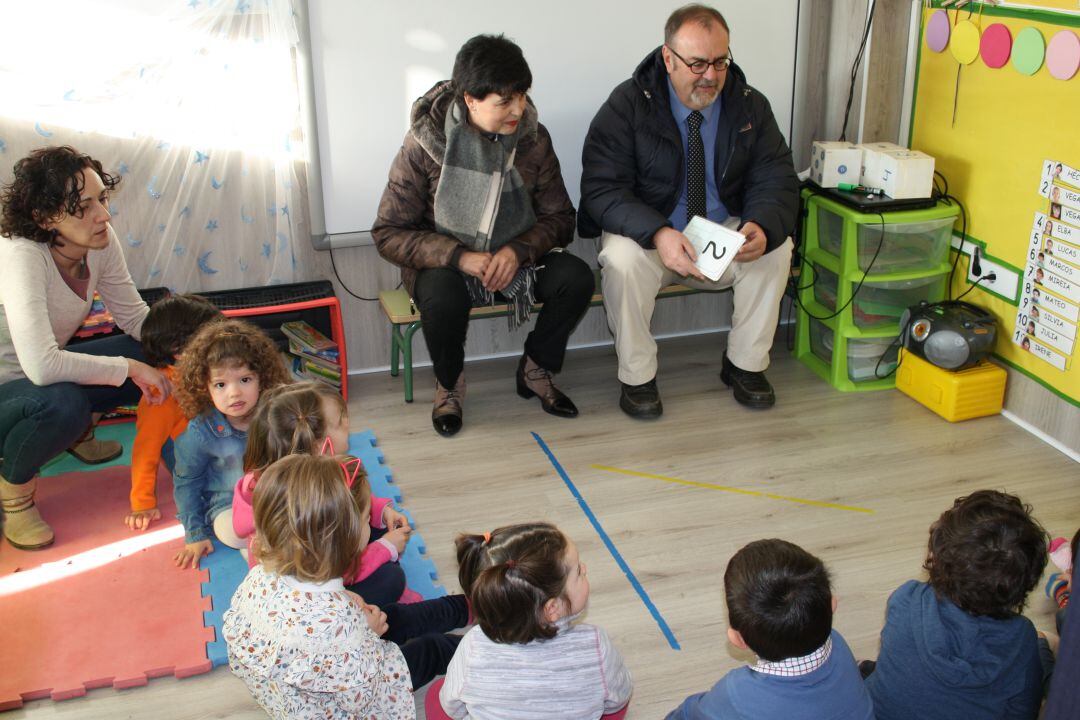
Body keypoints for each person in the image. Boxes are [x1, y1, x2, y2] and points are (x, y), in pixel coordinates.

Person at [580, 4, 797, 417]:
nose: (711, 76)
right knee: (621, 260)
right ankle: (637, 376)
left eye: (720, 61)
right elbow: (601, 188)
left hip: (721, 228)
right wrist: (659, 233)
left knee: (777, 248)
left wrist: (762, 224)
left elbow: (777, 178)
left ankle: (744, 365)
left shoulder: (750, 105)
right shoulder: (627, 105)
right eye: (697, 63)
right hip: (655, 232)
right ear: (668, 58)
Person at [373, 34, 595, 437]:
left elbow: (561, 217)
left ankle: (534, 369)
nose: (518, 109)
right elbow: (388, 233)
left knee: (577, 277)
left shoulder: (533, 139)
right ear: (470, 100)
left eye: (522, 96)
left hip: (516, 262)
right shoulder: (424, 143)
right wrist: (459, 256)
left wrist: (517, 250)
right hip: (447, 267)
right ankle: (450, 384)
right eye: (504, 101)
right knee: (441, 295)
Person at [0, 145, 169, 549]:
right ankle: (15, 494)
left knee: (154, 353)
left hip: (42, 377)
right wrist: (129, 369)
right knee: (63, 403)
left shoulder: (101, 241)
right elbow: (41, 368)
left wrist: (197, 343)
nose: (103, 216)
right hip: (14, 388)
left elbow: (134, 319)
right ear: (43, 217)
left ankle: (75, 435)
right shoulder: (21, 254)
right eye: (83, 207)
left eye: (102, 200)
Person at [223, 453, 469, 719]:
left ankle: (465, 607)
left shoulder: (260, 574)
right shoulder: (342, 622)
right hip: (348, 698)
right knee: (430, 648)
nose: (368, 524)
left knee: (393, 615)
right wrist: (366, 634)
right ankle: (479, 652)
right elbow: (357, 696)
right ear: (344, 540)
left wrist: (350, 607)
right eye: (365, 520)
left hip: (308, 680)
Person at [863, 490, 1048, 719]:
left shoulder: (907, 598)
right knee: (1043, 647)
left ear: (936, 555)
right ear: (1026, 582)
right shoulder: (1021, 638)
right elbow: (1023, 711)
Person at [234, 381, 421, 606]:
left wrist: (381, 511)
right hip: (312, 598)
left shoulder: (297, 482)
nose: (348, 423)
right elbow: (330, 572)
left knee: (374, 527)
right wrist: (385, 549)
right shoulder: (301, 512)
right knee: (391, 579)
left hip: (322, 557)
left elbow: (354, 497)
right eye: (341, 421)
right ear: (320, 446)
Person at [432, 521, 633, 719]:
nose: (585, 568)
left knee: (437, 696)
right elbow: (619, 699)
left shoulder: (474, 644)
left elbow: (452, 707)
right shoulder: (596, 645)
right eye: (578, 571)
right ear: (552, 608)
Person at [666, 539, 872, 720]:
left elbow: (689, 714)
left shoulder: (737, 694)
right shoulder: (839, 646)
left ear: (738, 640)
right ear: (833, 605)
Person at [171, 318, 289, 569]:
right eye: (221, 385)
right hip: (228, 507)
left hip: (277, 499)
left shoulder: (277, 415)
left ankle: (270, 552)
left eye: (245, 380)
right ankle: (265, 555)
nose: (234, 393)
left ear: (263, 378)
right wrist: (195, 534)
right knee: (233, 532)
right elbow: (187, 482)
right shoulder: (200, 432)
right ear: (205, 388)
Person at [126, 293, 223, 531]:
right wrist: (142, 503)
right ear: (179, 350)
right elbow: (146, 449)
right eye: (210, 339)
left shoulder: (210, 369)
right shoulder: (161, 392)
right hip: (190, 455)